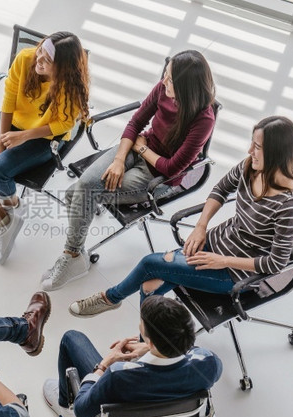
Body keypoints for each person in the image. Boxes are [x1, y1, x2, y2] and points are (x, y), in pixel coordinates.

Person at [69, 115, 293, 317]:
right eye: (252, 143)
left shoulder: (289, 206)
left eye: (257, 147)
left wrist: (221, 261)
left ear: (276, 153)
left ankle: (111, 298)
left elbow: (276, 264)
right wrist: (201, 226)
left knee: (150, 264)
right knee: (150, 287)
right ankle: (149, 348)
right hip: (212, 244)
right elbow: (220, 190)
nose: (249, 151)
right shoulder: (249, 166)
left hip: (233, 273)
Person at [41, 50, 216, 291]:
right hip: (137, 148)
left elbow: (172, 167)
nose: (164, 81)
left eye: (170, 79)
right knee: (82, 190)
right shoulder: (164, 88)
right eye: (165, 74)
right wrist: (119, 160)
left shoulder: (203, 119)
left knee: (81, 194)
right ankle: (76, 252)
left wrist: (141, 149)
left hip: (159, 177)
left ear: (187, 88)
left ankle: (72, 257)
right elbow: (135, 123)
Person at [0, 32, 90, 264]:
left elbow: (64, 124)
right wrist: (1, 142)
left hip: (48, 135)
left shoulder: (70, 86)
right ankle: (4, 221)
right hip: (15, 122)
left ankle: (15, 207)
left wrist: (24, 136)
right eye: (41, 51)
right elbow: (8, 100)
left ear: (62, 68)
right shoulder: (25, 58)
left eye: (47, 60)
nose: (39, 60)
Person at [43, 295, 222, 417]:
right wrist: (152, 349)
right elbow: (193, 352)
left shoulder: (118, 375)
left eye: (142, 327)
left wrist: (104, 365)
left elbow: (82, 410)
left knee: (72, 338)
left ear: (150, 341)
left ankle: (65, 408)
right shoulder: (210, 363)